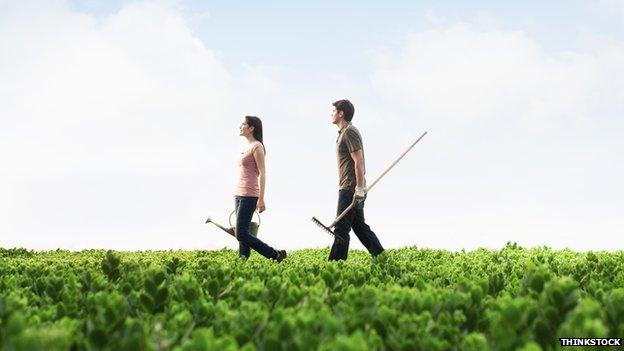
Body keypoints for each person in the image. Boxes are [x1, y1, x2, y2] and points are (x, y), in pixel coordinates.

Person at [328, 100, 385, 261]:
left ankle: (334, 267)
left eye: (333, 111)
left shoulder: (349, 132)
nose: (331, 113)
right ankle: (381, 256)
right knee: (359, 227)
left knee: (341, 229)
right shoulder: (343, 133)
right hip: (349, 186)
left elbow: (358, 161)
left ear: (341, 113)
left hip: (350, 187)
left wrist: (359, 188)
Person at [234, 116, 286, 261]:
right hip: (239, 193)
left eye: (243, 124)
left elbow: (262, 173)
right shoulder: (247, 147)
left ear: (251, 128)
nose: (240, 126)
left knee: (241, 233)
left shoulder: (257, 146)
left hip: (250, 194)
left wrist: (261, 199)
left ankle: (275, 254)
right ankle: (242, 261)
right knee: (242, 233)